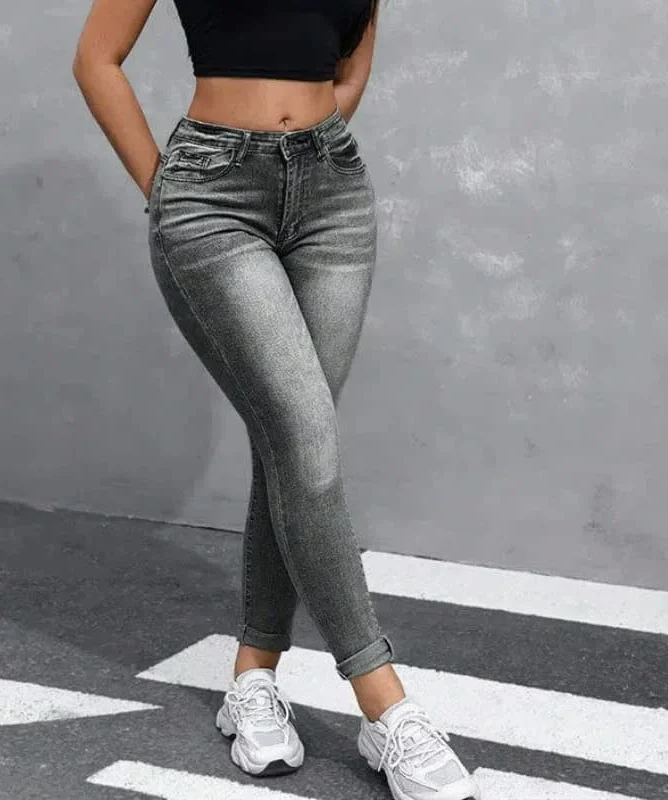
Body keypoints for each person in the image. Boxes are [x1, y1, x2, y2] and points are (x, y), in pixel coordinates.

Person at [73, 2, 480, 798]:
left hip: (333, 198)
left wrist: (303, 151)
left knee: (290, 445)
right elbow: (96, 58)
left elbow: (350, 65)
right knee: (305, 436)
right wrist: (166, 189)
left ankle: (253, 678)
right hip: (212, 197)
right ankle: (386, 705)